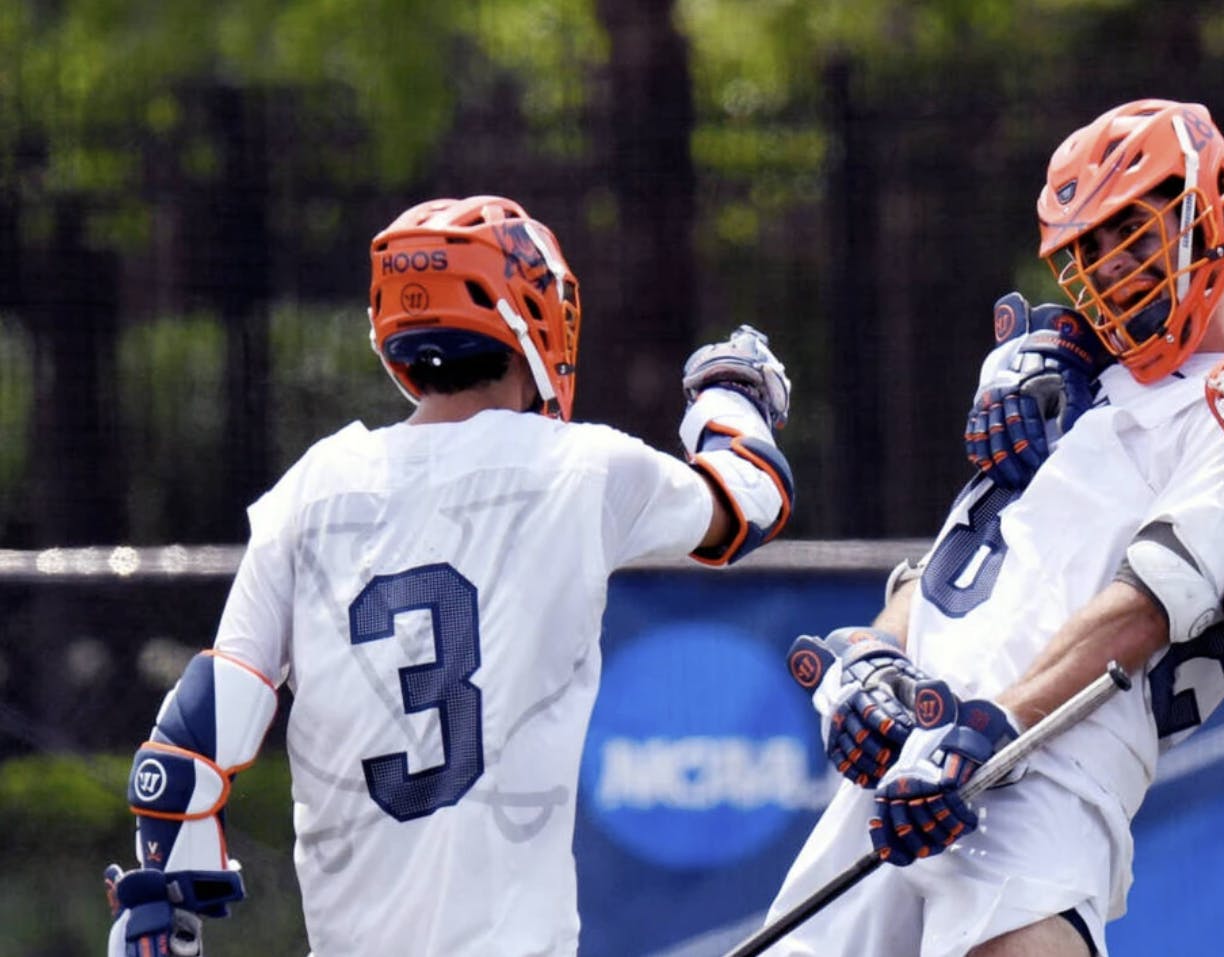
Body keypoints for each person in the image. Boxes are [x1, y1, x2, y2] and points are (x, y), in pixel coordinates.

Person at [101, 195, 796, 956]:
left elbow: (189, 745)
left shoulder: (315, 485)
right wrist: (733, 395)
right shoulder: (583, 470)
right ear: (535, 315)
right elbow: (751, 502)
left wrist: (166, 909)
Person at [767, 98, 1224, 957]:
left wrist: (991, 725)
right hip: (909, 770)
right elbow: (958, 566)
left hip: (1046, 772)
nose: (1114, 272)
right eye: (1091, 254)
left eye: (1134, 235)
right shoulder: (1062, 376)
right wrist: (873, 659)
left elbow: (1146, 603)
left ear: (1207, 214)